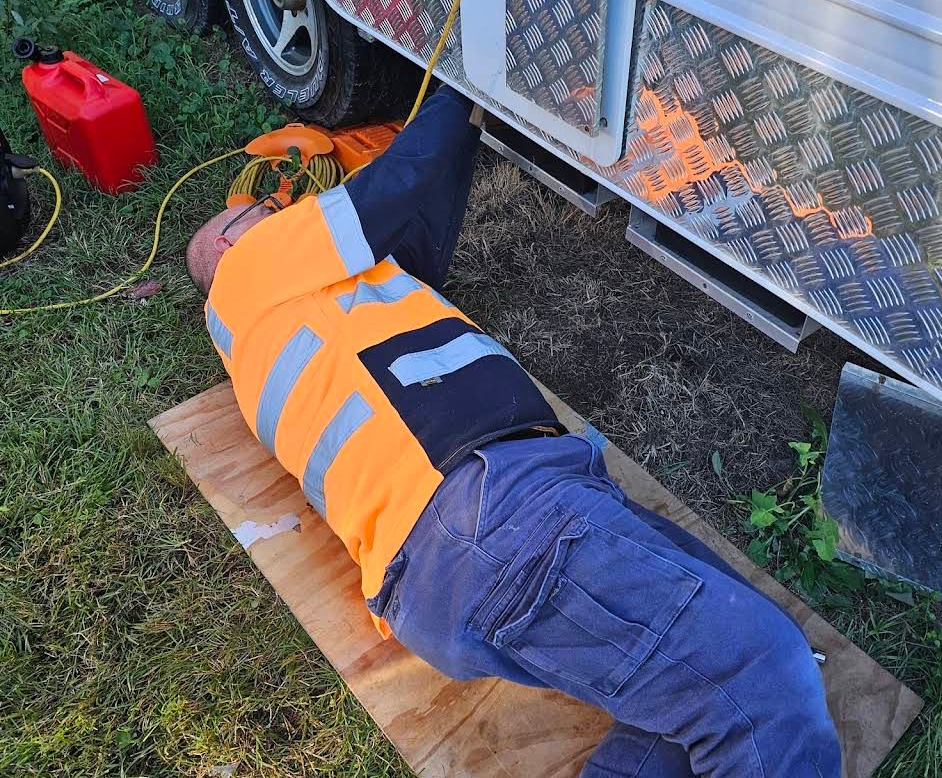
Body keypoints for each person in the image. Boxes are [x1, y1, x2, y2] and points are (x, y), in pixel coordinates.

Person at [186, 86, 841, 778]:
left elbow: (416, 233)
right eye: (270, 210)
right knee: (762, 673)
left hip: (452, 565)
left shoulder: (273, 342)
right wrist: (467, 81)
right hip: (495, 517)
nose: (289, 207)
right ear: (234, 239)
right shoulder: (253, 266)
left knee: (691, 695)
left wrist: (459, 130)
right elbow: (398, 182)